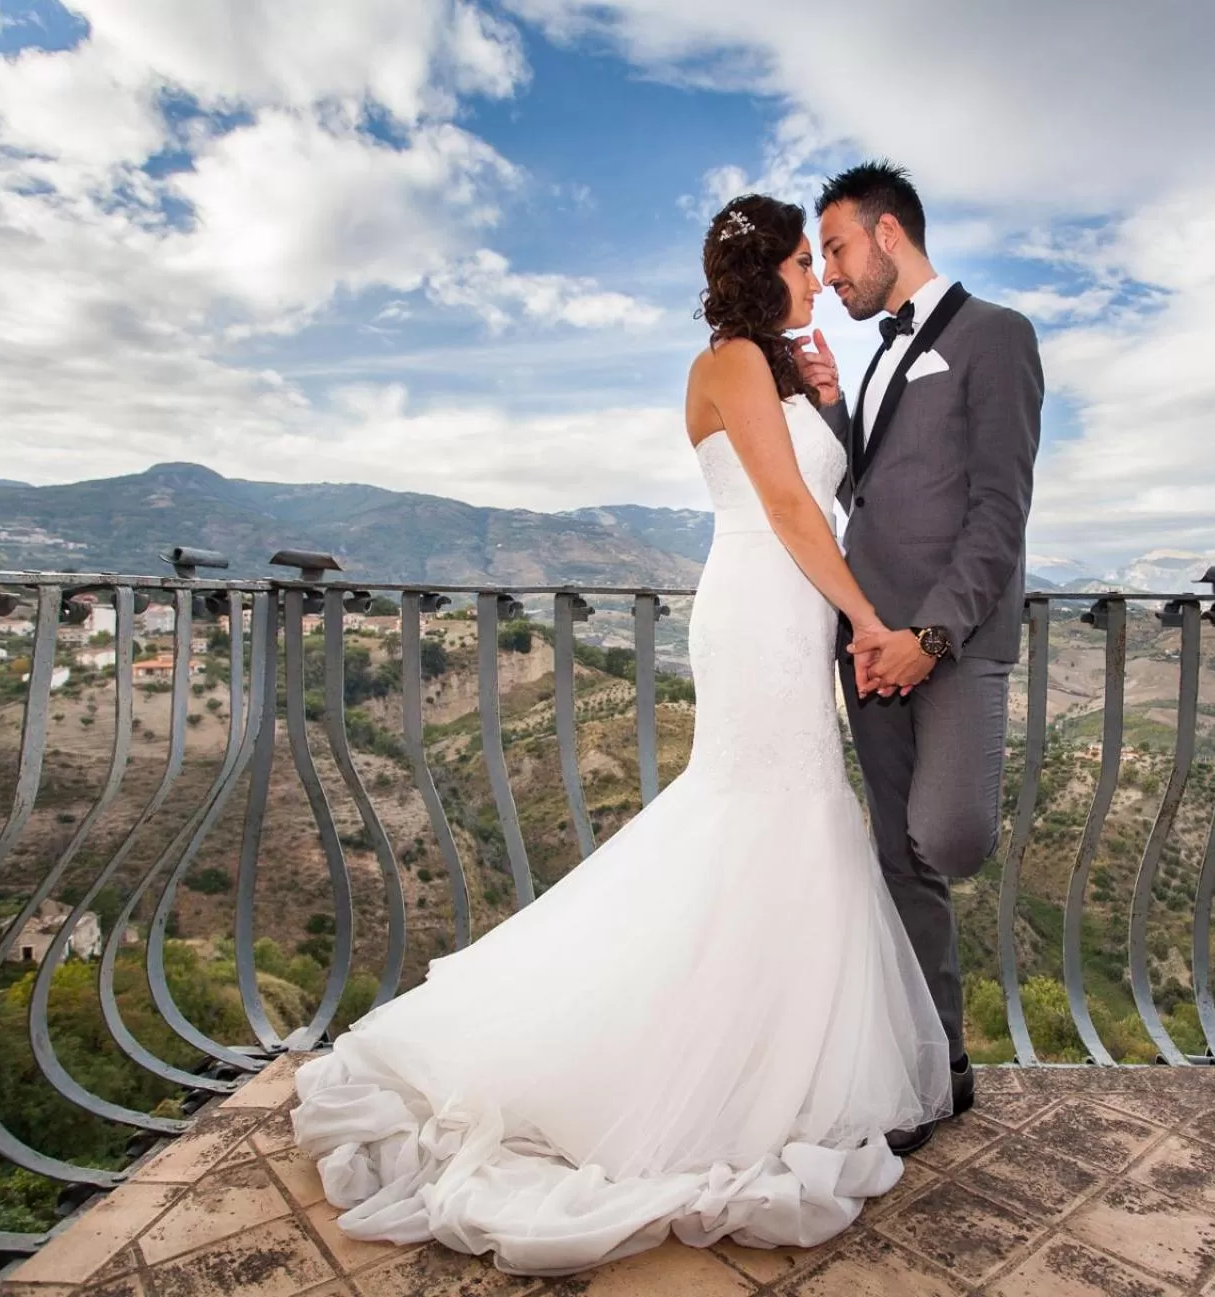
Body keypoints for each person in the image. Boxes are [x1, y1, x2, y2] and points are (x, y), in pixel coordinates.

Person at [289, 192, 950, 1278]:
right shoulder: (733, 359)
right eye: (800, 260)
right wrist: (873, 619)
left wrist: (825, 395)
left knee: (790, 821)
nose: (815, 277)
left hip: (798, 609)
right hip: (761, 601)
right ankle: (687, 1067)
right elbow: (786, 511)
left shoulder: (779, 365)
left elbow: (830, 490)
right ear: (759, 271)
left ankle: (759, 1058)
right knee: (751, 815)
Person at [793, 161, 1043, 1154]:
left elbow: (997, 512)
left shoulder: (996, 336)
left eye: (838, 251)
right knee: (896, 859)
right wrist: (826, 407)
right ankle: (933, 1066)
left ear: (887, 233)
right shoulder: (878, 356)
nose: (832, 274)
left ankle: (931, 1057)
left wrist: (930, 636)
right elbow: (877, 486)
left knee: (946, 837)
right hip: (871, 643)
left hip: (948, 641)